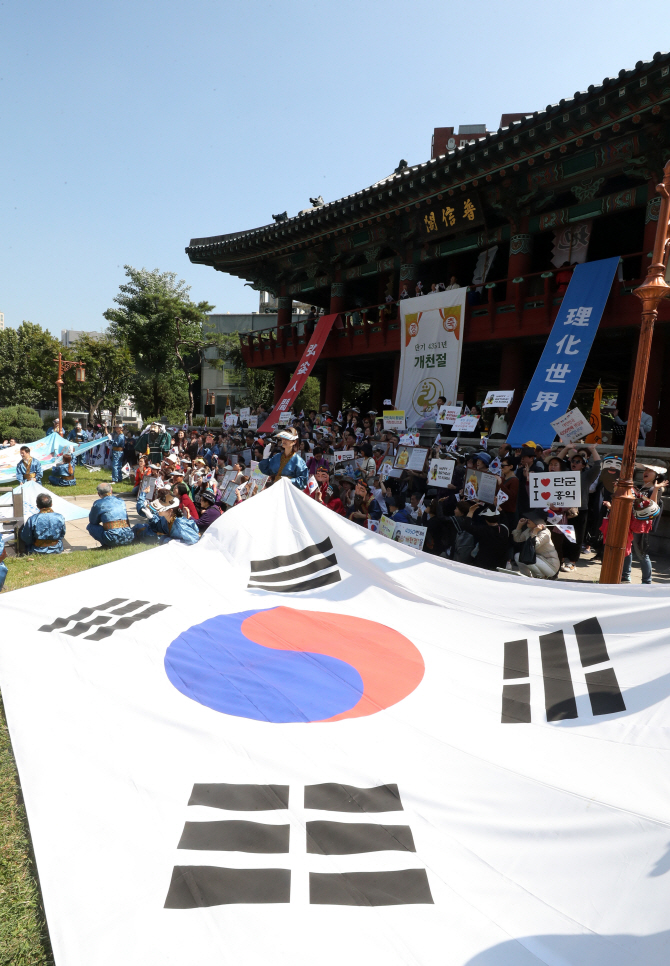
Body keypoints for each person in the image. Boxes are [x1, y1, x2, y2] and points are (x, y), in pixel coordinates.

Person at [133, 490, 200, 545]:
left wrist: (173, 542)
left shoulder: (180, 525)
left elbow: (195, 541)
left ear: (170, 511)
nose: (158, 510)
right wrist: (151, 518)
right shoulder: (165, 518)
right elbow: (157, 527)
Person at [621, 497, 659, 585]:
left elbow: (653, 504)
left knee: (642, 555)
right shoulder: (638, 490)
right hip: (631, 525)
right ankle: (625, 575)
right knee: (627, 551)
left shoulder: (649, 490)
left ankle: (647, 581)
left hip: (639, 528)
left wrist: (656, 489)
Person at [512, 510, 560, 579]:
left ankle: (540, 577)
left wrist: (535, 532)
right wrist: (519, 526)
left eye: (531, 519)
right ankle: (526, 576)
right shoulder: (529, 530)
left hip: (550, 565)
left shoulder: (545, 533)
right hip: (537, 560)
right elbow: (517, 539)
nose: (528, 520)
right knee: (517, 556)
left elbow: (534, 545)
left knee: (528, 558)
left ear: (538, 522)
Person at [461, 504, 509, 571]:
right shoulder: (504, 529)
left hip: (483, 564)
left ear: (486, 520)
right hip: (500, 565)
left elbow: (466, 526)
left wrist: (471, 511)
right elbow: (504, 518)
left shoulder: (483, 530)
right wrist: (498, 506)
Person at [87, 482, 134, 548]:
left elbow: (93, 521)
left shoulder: (98, 503)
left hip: (112, 538)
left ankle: (107, 544)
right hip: (129, 536)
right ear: (111, 490)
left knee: (90, 526)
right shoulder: (121, 501)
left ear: (99, 494)